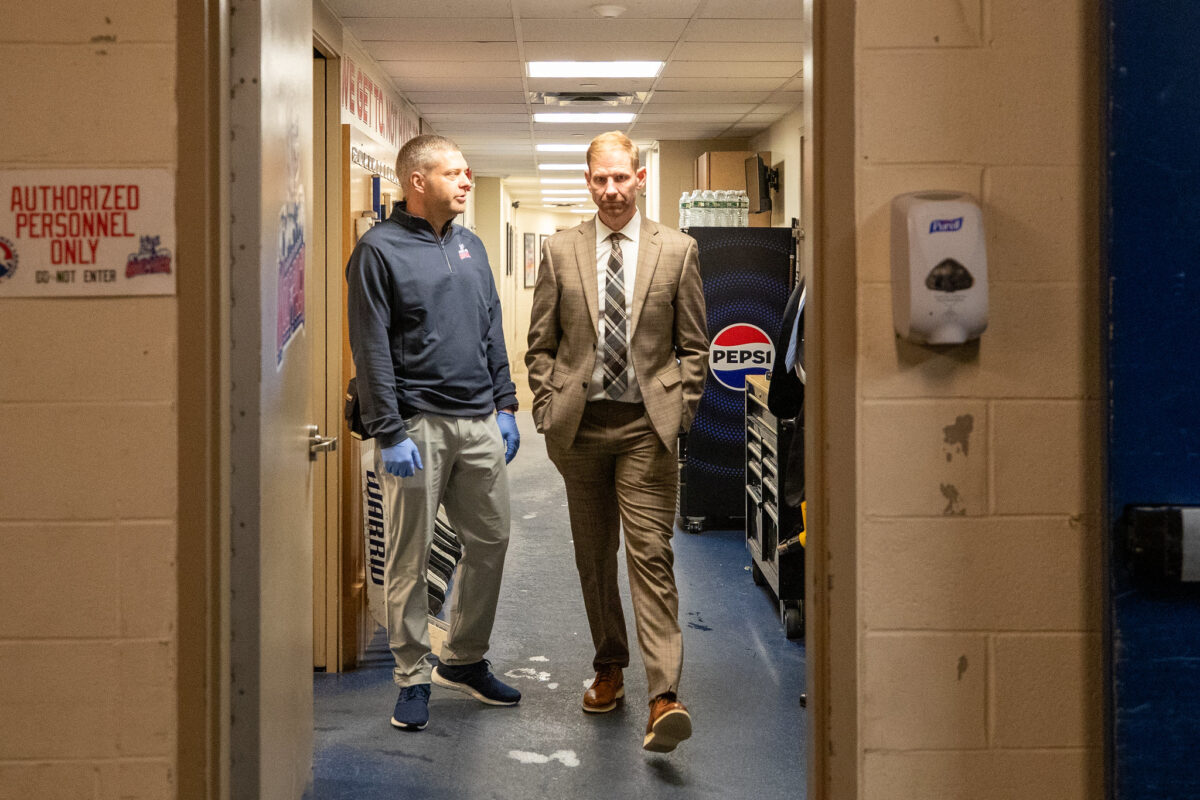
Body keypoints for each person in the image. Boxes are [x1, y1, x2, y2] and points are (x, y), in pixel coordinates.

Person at [525, 131, 709, 753]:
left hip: (645, 429)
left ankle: (664, 695)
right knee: (594, 555)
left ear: (640, 178)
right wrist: (547, 406)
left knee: (650, 554)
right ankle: (609, 666)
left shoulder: (677, 250)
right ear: (588, 181)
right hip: (579, 428)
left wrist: (680, 410)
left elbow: (694, 346)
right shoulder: (559, 250)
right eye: (599, 179)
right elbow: (541, 344)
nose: (610, 190)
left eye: (620, 178)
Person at [346, 134, 522, 732]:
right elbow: (369, 350)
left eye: (469, 172)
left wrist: (506, 402)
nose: (467, 181)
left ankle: (465, 658)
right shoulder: (378, 251)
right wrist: (387, 431)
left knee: (491, 542)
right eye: (455, 173)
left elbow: (491, 327)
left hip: (478, 422)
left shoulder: (471, 245)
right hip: (415, 426)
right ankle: (413, 675)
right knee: (409, 557)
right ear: (417, 181)